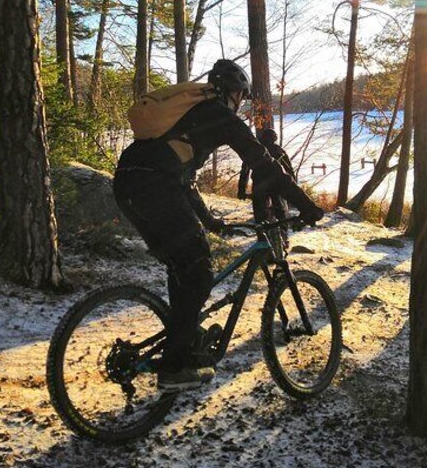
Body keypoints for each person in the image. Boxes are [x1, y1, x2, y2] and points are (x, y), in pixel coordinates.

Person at [112, 59, 324, 392]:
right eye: (241, 94)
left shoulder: (186, 118)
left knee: (183, 265)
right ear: (231, 91)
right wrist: (306, 205)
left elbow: (183, 178)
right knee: (199, 270)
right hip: (154, 187)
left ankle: (183, 339)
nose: (241, 102)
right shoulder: (220, 115)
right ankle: (173, 367)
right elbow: (265, 166)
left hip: (127, 184)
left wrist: (211, 221)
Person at [238, 127, 296, 224]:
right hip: (275, 184)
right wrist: (293, 188)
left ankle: (262, 234)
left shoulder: (255, 150)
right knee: (280, 211)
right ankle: (282, 232)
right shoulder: (278, 150)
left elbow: (245, 171)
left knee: (260, 214)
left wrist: (241, 189)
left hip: (259, 184)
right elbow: (289, 170)